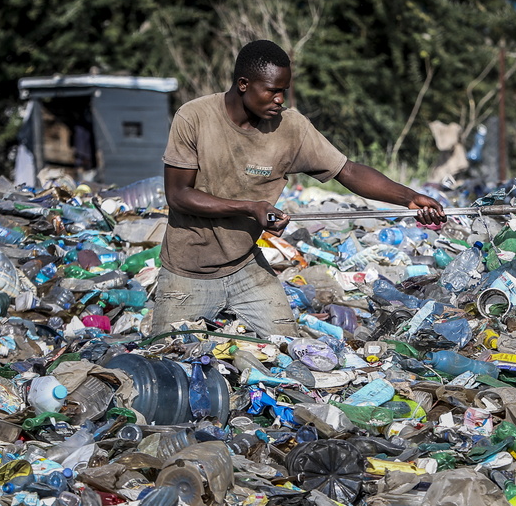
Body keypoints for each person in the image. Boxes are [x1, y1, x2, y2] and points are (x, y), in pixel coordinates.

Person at [151, 39, 446, 336]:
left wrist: (409, 197)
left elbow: (349, 170)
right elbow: (178, 196)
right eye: (272, 90)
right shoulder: (195, 118)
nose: (280, 100)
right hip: (187, 272)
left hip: (244, 266)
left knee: (290, 352)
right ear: (243, 84)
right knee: (167, 356)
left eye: (284, 91)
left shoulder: (290, 128)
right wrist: (250, 208)